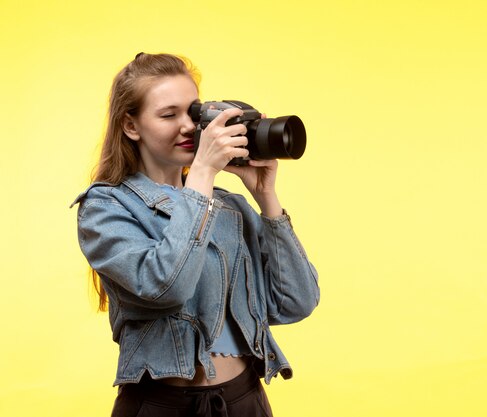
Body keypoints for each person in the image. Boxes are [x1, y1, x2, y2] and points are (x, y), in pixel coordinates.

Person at [71, 52, 320, 417]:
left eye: (193, 112)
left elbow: (295, 303)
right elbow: (166, 288)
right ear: (131, 126)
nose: (188, 126)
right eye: (168, 115)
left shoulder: (229, 207)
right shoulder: (106, 206)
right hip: (162, 405)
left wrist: (266, 196)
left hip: (244, 400)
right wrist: (202, 172)